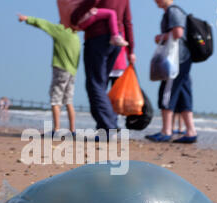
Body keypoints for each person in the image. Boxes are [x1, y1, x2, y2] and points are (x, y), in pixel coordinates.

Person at [71, 0, 135, 139]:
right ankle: (105, 127)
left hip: (98, 38)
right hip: (115, 40)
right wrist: (131, 50)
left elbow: (87, 5)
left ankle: (108, 127)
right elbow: (127, 21)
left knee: (95, 85)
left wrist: (75, 15)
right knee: (101, 84)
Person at [18, 13, 80, 137]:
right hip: (72, 72)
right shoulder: (75, 36)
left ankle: (56, 130)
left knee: (55, 100)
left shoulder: (60, 30)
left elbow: (43, 24)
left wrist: (27, 19)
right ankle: (72, 130)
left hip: (61, 70)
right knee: (68, 100)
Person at [146, 0, 197, 143]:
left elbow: (178, 33)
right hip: (184, 59)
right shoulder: (174, 11)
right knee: (183, 94)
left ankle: (166, 131)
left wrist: (160, 37)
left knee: (167, 93)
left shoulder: (173, 11)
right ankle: (191, 131)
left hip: (176, 60)